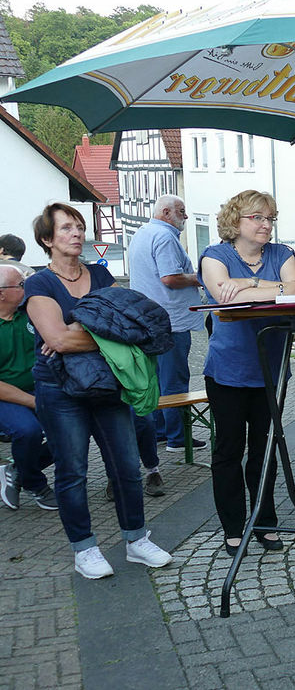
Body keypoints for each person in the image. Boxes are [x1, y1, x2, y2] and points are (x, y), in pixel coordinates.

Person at [24, 203, 172, 578]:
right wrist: (97, 335)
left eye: (78, 226)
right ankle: (84, 549)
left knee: (126, 466)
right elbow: (56, 338)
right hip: (58, 389)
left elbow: (132, 329)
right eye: (65, 229)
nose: (76, 233)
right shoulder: (39, 284)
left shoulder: (102, 275)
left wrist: (76, 335)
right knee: (72, 471)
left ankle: (136, 540)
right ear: (47, 239)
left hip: (107, 385)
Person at [199, 190, 295, 556]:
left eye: (270, 218)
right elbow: (224, 296)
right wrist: (273, 289)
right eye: (257, 217)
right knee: (228, 450)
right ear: (235, 221)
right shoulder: (216, 255)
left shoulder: (281, 253)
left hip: (271, 370)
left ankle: (265, 521)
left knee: (264, 450)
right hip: (228, 371)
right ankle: (232, 526)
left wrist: (250, 283)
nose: (265, 224)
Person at [128, 194, 206, 458]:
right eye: (181, 211)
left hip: (148, 320)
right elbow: (170, 277)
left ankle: (161, 431)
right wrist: (202, 279)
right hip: (170, 321)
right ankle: (178, 438)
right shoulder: (165, 237)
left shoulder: (142, 233)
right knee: (174, 381)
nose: (185, 216)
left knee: (157, 381)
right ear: (165, 212)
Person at [0, 264, 56, 511]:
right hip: (7, 397)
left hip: (41, 388)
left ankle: (18, 470)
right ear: (2, 293)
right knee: (28, 431)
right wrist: (34, 402)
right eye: (21, 285)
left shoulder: (30, 314)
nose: (27, 288)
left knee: (71, 430)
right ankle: (36, 484)